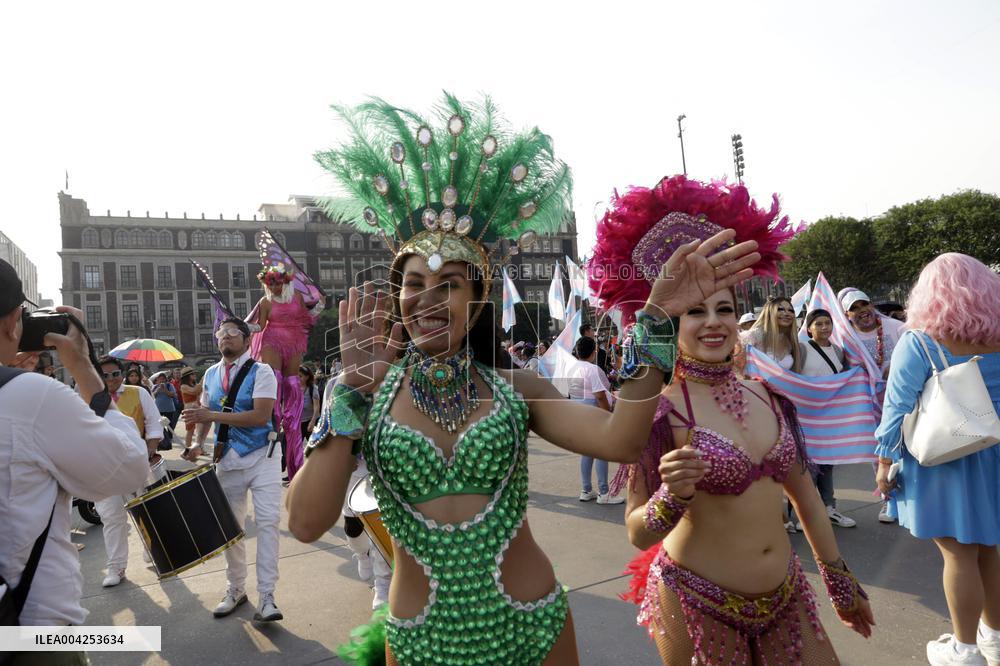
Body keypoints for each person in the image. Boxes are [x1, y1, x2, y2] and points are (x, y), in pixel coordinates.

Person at [288, 97, 760, 664]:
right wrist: (349, 395)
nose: (428, 299)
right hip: (419, 641)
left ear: (478, 296)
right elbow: (305, 523)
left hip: (533, 627)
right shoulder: (365, 396)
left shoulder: (515, 387)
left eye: (449, 284)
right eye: (414, 284)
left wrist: (656, 321)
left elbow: (622, 440)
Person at [589, 176, 872, 665]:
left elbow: (806, 497)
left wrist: (838, 578)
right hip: (696, 603)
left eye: (724, 308)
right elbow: (637, 531)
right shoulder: (660, 411)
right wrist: (670, 497)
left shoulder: (768, 395)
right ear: (672, 322)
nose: (713, 322)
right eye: (694, 311)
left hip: (786, 595)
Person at [0, 260, 148, 659]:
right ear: (13, 323)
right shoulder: (30, 396)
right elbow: (128, 467)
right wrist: (82, 364)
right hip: (29, 634)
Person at [874, 253, 1000, 666]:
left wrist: (884, 462)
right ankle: (995, 639)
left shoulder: (920, 341)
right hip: (994, 454)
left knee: (958, 554)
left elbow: (895, 408)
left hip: (944, 458)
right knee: (989, 549)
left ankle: (964, 651)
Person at [183, 316, 282, 623]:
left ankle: (267, 596)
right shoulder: (211, 374)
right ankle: (236, 588)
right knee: (231, 529)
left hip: (263, 455)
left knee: (268, 523)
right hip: (227, 459)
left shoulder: (262, 371)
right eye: (221, 333)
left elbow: (260, 415)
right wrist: (198, 443)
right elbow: (205, 415)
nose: (225, 336)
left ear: (247, 339)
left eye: (232, 332)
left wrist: (211, 415)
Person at [249, 266, 325, 486]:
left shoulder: (297, 297)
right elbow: (260, 326)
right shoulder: (265, 302)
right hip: (272, 341)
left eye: (276, 282)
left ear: (285, 282)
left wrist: (319, 305)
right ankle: (271, 430)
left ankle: (295, 467)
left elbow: (306, 318)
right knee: (274, 382)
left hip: (294, 340)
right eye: (269, 284)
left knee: (293, 388)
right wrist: (243, 326)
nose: (273, 287)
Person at [94, 355, 164, 588]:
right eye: (104, 375)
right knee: (111, 517)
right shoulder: (87, 398)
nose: (110, 379)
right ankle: (116, 567)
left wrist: (150, 449)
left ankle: (153, 550)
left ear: (122, 374)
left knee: (145, 510)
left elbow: (153, 423)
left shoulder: (138, 392)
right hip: (104, 470)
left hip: (136, 464)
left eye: (115, 374)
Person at [840, 288, 907, 524]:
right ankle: (889, 499)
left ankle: (913, 498)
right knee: (879, 452)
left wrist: (895, 368)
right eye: (854, 308)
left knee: (910, 447)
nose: (862, 311)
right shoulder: (845, 338)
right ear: (847, 315)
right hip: (871, 405)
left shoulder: (896, 327)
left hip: (904, 399)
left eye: (864, 304)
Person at [800, 308, 856, 529]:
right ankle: (807, 512)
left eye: (827, 323)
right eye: (819, 324)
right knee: (809, 464)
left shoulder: (839, 352)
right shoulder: (801, 349)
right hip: (806, 416)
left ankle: (829, 508)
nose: (824, 327)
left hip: (829, 416)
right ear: (809, 328)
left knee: (827, 463)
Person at [568, 336, 622, 505]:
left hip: (578, 413)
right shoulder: (592, 369)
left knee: (587, 451)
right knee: (600, 451)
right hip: (594, 412)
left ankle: (586, 490)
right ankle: (604, 493)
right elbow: (600, 395)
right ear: (594, 351)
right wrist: (607, 415)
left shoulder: (571, 368)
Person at [742, 296, 804, 372]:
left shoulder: (789, 341)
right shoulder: (753, 336)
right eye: (780, 309)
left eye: (791, 310)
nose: (787, 313)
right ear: (769, 312)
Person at [293, 365, 321, 484]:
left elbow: (316, 407)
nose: (297, 378)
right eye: (296, 376)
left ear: (307, 377)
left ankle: (315, 474)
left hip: (310, 421)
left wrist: (312, 422)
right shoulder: (294, 388)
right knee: (295, 450)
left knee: (313, 450)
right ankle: (296, 474)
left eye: (300, 376)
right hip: (298, 423)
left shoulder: (312, 389)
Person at [151, 372, 177, 450]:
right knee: (160, 425)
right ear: (157, 380)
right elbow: (152, 396)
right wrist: (158, 390)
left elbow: (172, 395)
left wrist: (165, 390)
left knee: (170, 425)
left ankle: (170, 438)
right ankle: (162, 439)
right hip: (158, 409)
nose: (162, 381)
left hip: (169, 409)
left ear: (165, 379)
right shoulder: (155, 386)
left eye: (163, 379)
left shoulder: (169, 385)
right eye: (160, 379)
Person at [178, 367, 202, 450]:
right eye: (192, 374)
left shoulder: (194, 384)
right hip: (189, 409)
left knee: (200, 431)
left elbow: (198, 393)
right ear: (187, 376)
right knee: (190, 430)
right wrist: (202, 381)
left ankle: (199, 448)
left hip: (197, 408)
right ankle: (187, 449)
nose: (195, 375)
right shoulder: (183, 386)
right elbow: (194, 391)